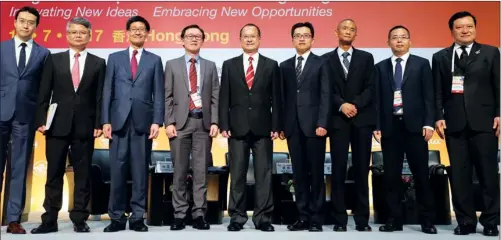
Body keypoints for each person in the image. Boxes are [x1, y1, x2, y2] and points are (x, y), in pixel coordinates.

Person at [30, 17, 105, 234]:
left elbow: (99, 97)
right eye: (74, 32)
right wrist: (41, 121)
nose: (78, 35)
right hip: (56, 126)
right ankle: (49, 219)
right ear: (67, 35)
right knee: (53, 173)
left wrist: (99, 122)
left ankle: (80, 218)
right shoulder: (53, 60)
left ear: (90, 36)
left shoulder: (98, 62)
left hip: (86, 126)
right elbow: (43, 93)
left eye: (83, 32)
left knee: (83, 175)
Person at [433, 11, 500, 236]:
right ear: (451, 30)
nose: (465, 30)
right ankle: (465, 221)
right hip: (454, 124)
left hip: (484, 123)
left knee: (488, 174)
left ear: (475, 28)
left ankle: (490, 222)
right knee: (460, 176)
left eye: (469, 26)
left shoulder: (490, 53)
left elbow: (498, 86)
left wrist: (499, 113)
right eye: (459, 27)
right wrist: (438, 116)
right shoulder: (441, 56)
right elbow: (437, 92)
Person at [101, 16, 164, 232]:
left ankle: (138, 216)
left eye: (142, 29)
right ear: (127, 32)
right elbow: (107, 91)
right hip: (118, 121)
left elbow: (159, 94)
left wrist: (157, 121)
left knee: (139, 171)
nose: (138, 32)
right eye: (134, 29)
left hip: (142, 123)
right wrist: (105, 120)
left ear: (147, 33)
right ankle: (116, 217)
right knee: (117, 170)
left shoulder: (155, 60)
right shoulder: (114, 58)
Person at [373, 25, 437, 234]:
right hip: (391, 127)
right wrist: (377, 126)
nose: (399, 41)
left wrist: (429, 123)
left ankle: (427, 220)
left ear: (410, 41)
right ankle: (394, 219)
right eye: (394, 38)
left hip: (416, 127)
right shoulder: (380, 67)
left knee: (421, 175)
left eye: (403, 38)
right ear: (388, 42)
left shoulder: (421, 64)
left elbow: (429, 96)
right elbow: (377, 100)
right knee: (391, 176)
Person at [219, 23, 281, 232]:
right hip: (236, 128)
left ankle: (263, 217)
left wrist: (276, 125)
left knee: (264, 174)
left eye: (252, 36)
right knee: (237, 174)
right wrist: (224, 124)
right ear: (240, 39)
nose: (249, 39)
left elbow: (277, 99)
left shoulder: (272, 65)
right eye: (245, 36)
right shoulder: (229, 64)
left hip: (264, 128)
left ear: (259, 38)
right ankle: (236, 217)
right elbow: (224, 98)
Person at [0, 6, 51, 234]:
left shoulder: (43, 53)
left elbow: (44, 91)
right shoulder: (1, 49)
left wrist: (41, 118)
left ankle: (13, 218)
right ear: (15, 22)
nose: (26, 25)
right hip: (0, 113)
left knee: (20, 168)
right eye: (22, 20)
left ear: (36, 27)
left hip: (25, 117)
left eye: (31, 22)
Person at [164, 24, 220, 231]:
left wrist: (215, 121)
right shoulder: (171, 65)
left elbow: (215, 97)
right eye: (189, 36)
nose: (193, 39)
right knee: (178, 172)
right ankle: (179, 214)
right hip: (179, 125)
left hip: (202, 125)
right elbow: (167, 96)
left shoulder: (211, 66)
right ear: (182, 39)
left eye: (198, 36)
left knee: (200, 172)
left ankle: (198, 214)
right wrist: (168, 122)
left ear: (203, 40)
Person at [322, 19, 375, 232]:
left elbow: (371, 88)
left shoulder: (366, 58)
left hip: (362, 120)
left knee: (362, 170)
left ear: (356, 34)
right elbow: (326, 89)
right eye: (345, 28)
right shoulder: (325, 59)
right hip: (338, 121)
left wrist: (355, 105)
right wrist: (342, 105)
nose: (348, 31)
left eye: (352, 29)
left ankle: (362, 219)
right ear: (336, 32)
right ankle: (339, 219)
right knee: (338, 170)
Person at [279, 22, 330, 232]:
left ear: (312, 39)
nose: (301, 39)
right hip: (292, 127)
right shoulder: (284, 66)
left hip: (315, 127)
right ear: (292, 39)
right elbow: (282, 99)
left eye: (306, 35)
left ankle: (316, 218)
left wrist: (322, 122)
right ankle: (302, 216)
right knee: (298, 175)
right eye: (297, 35)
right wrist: (282, 125)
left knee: (316, 174)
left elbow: (326, 95)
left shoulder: (322, 63)